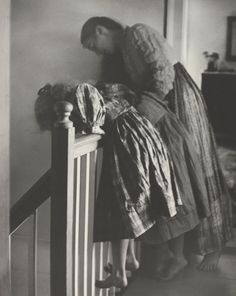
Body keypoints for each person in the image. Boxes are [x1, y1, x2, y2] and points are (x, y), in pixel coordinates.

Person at [80, 16, 233, 273]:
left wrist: (145, 114)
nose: (95, 51)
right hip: (164, 103)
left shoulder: (137, 33)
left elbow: (163, 72)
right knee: (177, 174)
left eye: (92, 44)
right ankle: (184, 252)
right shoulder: (122, 51)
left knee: (197, 165)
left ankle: (212, 246)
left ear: (101, 29)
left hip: (177, 96)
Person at [35, 82, 209, 287]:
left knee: (122, 211)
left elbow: (91, 122)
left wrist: (83, 132)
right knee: (127, 210)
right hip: (140, 139)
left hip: (129, 145)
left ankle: (120, 272)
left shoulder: (84, 97)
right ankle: (130, 260)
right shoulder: (103, 94)